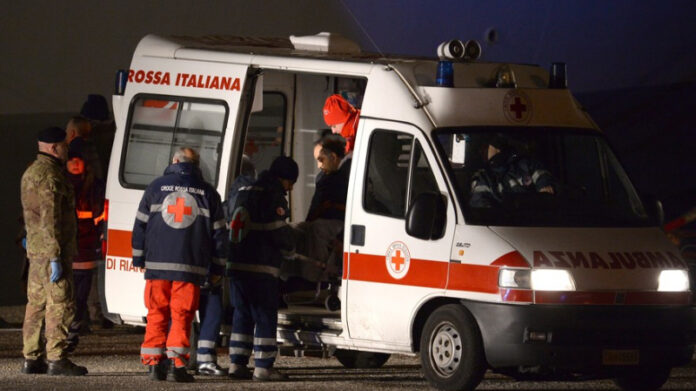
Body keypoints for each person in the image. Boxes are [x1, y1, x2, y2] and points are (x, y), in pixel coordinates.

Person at [132, 147, 227, 382]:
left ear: (175, 161)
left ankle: (154, 364)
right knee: (182, 314)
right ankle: (177, 366)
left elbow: (140, 226)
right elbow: (219, 237)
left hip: (157, 266)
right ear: (196, 165)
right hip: (190, 266)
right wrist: (217, 269)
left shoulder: (155, 187)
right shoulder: (208, 192)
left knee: (156, 313)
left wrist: (139, 258)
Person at [20, 126, 87, 376]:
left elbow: (30, 216)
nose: (67, 150)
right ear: (54, 148)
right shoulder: (52, 177)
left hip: (36, 251)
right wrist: (56, 256)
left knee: (35, 304)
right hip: (52, 251)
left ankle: (31, 358)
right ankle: (57, 358)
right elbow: (50, 220)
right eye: (64, 146)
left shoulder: (30, 173)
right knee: (60, 303)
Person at [227, 156, 298, 381]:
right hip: (261, 265)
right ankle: (263, 367)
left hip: (237, 264)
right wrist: (290, 250)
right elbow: (278, 231)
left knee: (242, 313)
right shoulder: (273, 195)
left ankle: (236, 364)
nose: (290, 188)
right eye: (290, 183)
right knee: (265, 315)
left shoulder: (243, 189)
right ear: (283, 178)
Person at [64, 138, 105, 352]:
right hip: (67, 246)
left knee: (82, 291)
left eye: (79, 160)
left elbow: (101, 217)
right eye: (72, 160)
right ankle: (69, 328)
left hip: (87, 246)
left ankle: (77, 325)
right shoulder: (61, 183)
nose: (76, 163)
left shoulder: (95, 186)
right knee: (66, 292)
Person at [469, 135, 555, 208]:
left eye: (486, 147)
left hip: (534, 221)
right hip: (502, 225)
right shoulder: (483, 177)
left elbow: (544, 180)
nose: (482, 152)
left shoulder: (526, 164)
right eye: (481, 149)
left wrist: (544, 190)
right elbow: (480, 204)